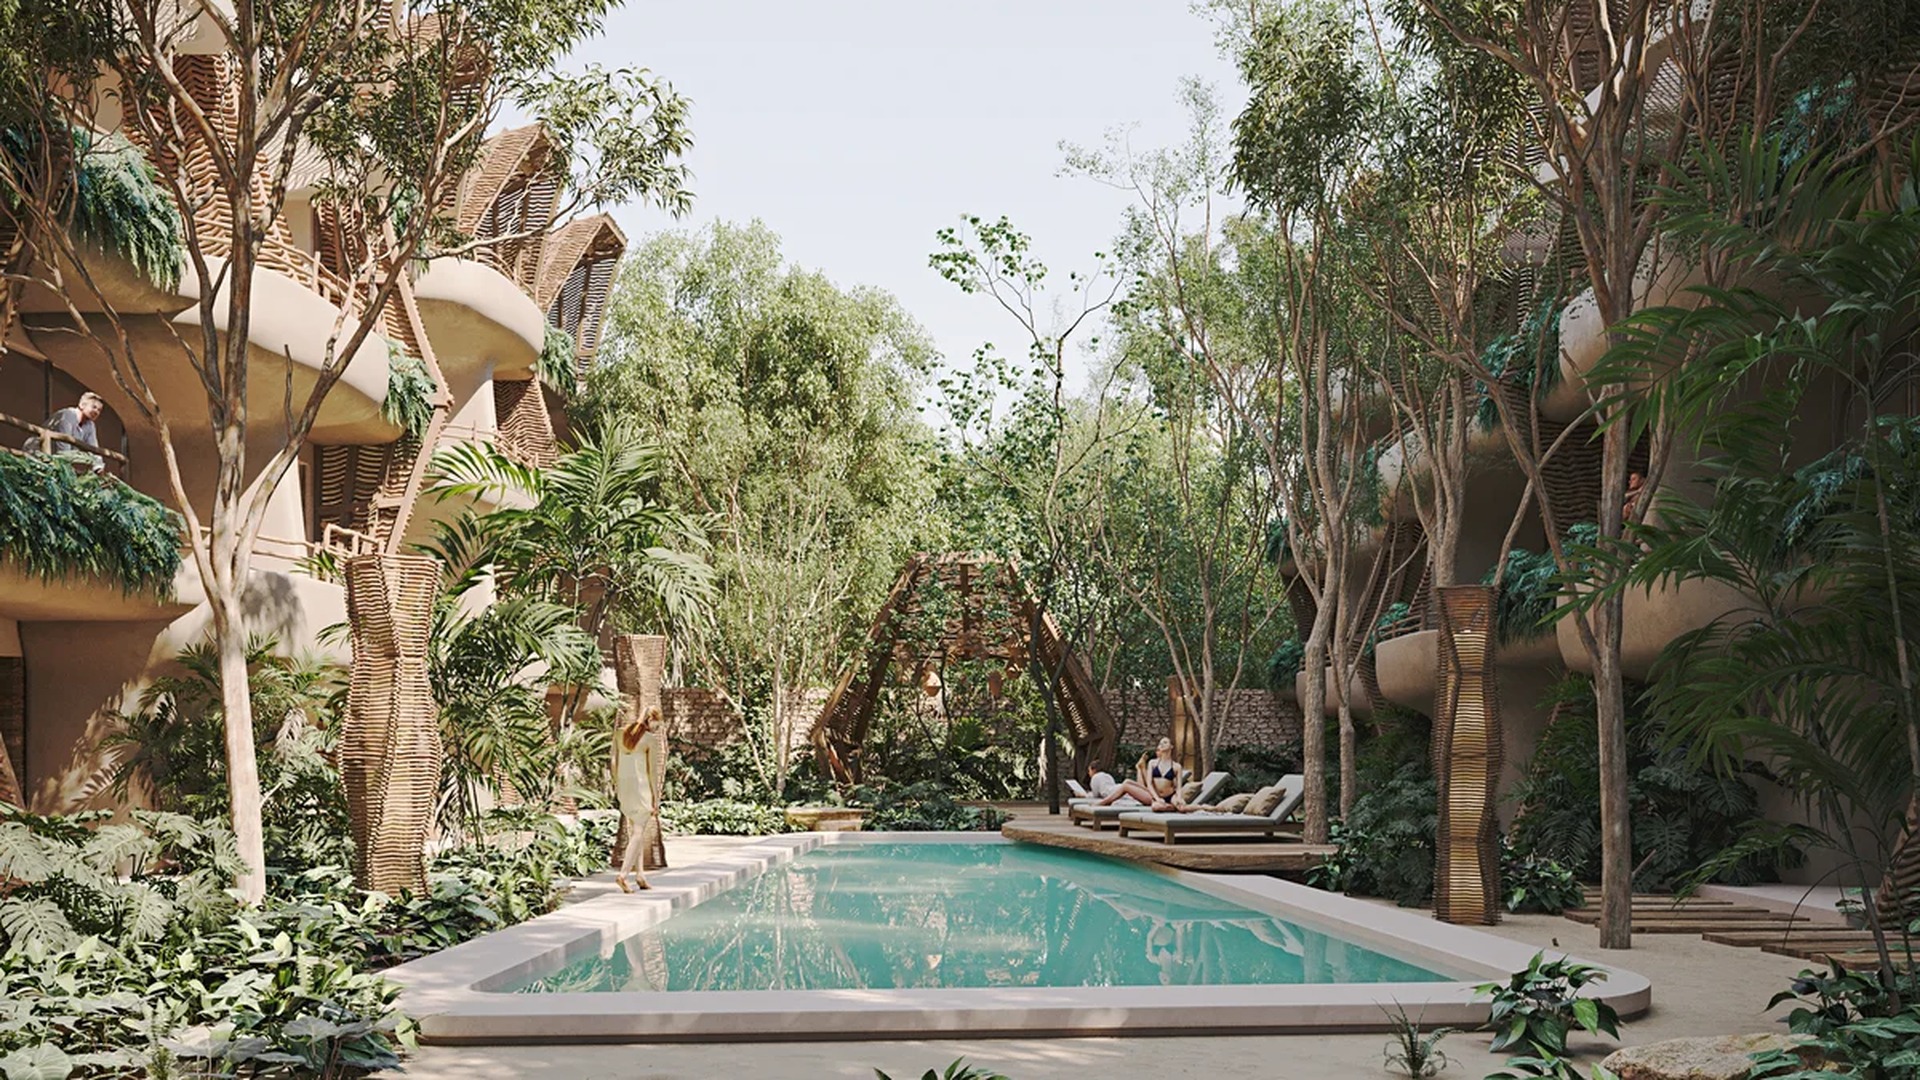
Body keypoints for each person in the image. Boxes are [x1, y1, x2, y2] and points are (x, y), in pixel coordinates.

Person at [1096, 737, 1187, 812]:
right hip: (1152, 793)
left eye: (1163, 745)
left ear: (1171, 747)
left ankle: (1105, 802)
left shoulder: (1175, 766)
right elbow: (1149, 783)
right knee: (1127, 782)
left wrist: (1177, 797)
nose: (1158, 750)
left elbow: (1175, 786)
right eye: (1159, 746)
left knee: (1126, 786)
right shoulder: (1153, 763)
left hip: (1163, 796)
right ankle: (1106, 801)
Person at [27, 391, 106, 472]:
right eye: (94, 407)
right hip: (36, 454)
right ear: (82, 405)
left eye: (99, 410)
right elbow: (63, 446)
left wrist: (98, 466)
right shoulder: (68, 415)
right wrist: (67, 469)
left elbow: (93, 447)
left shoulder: (90, 425)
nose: (96, 412)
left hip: (54, 459)